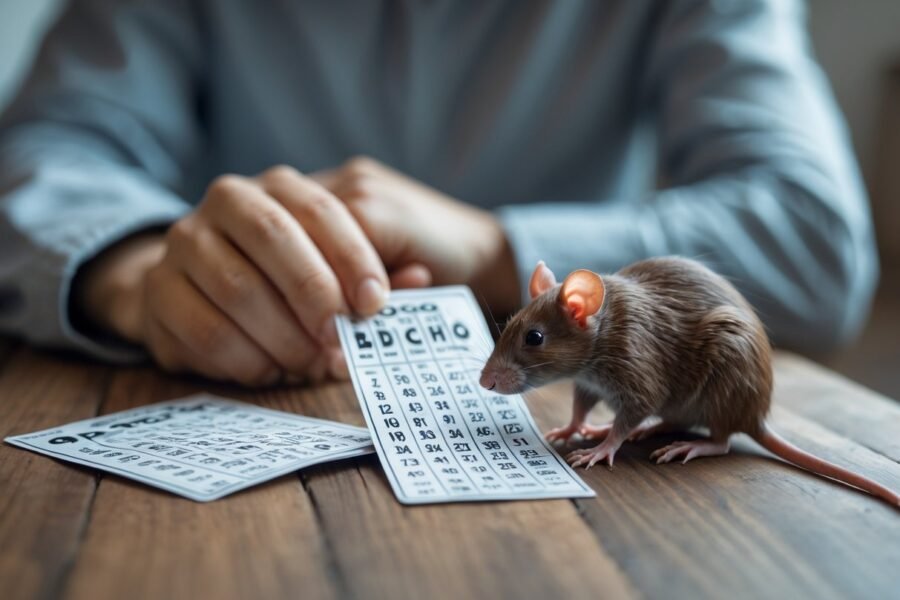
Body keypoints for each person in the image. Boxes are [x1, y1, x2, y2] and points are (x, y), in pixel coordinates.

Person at [0, 0, 878, 386]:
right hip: (237, 379)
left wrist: (495, 245)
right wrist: (136, 272)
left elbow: (816, 243)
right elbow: (45, 148)